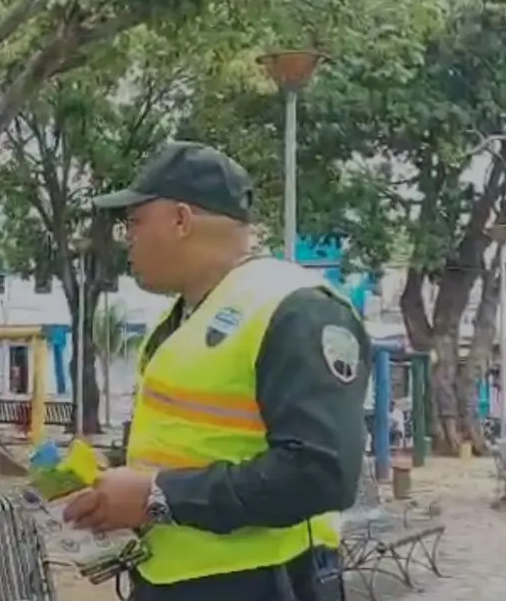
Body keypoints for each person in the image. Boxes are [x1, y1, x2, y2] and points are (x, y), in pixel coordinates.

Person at [65, 141, 370, 601]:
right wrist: (112, 484)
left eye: (135, 222)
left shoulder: (295, 309)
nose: (128, 237)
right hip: (168, 579)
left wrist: (157, 495)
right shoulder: (179, 319)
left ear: (182, 220)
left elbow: (322, 473)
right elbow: (193, 446)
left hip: (266, 582)